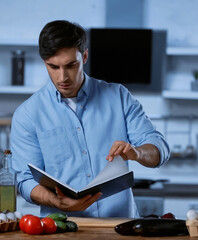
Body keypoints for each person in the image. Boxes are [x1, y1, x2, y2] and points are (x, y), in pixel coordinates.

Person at [10, 20, 170, 218]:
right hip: (63, 230)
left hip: (120, 228)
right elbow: (26, 181)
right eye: (53, 67)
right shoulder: (27, 114)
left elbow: (159, 149)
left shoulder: (118, 97)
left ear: (84, 56)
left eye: (71, 65)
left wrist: (137, 152)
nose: (63, 77)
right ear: (45, 62)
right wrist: (56, 201)